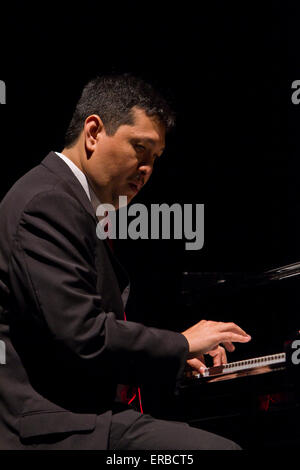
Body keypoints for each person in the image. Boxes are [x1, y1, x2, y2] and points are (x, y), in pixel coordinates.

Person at [0, 74, 251, 450]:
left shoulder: (68, 201)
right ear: (94, 132)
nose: (147, 169)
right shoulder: (46, 203)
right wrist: (181, 343)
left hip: (85, 416)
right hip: (56, 429)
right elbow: (84, 336)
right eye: (140, 149)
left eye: (155, 159)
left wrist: (177, 358)